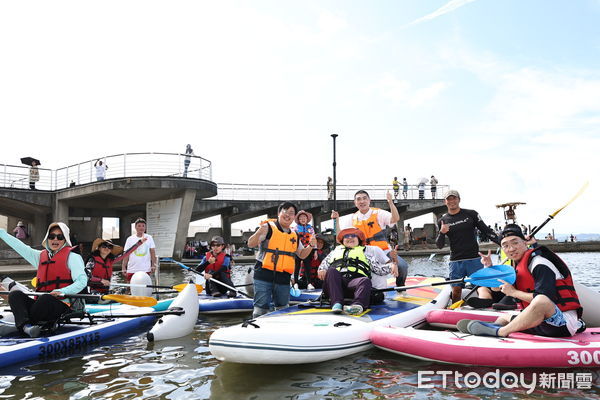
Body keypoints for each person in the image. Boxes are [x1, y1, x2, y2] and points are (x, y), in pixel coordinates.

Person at [458, 224, 585, 338]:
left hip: (561, 323)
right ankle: (488, 332)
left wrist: (513, 292)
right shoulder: (517, 266)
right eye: (505, 246)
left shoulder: (539, 263)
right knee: (503, 317)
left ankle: (501, 332)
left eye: (515, 243)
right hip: (540, 321)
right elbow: (496, 289)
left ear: (525, 243)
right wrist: (488, 267)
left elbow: (547, 299)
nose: (511, 249)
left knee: (541, 300)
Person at [0, 222, 87, 337]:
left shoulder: (73, 257)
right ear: (47, 238)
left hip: (63, 304)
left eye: (60, 237)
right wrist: (2, 233)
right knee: (15, 294)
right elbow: (19, 246)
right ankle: (26, 327)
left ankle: (20, 325)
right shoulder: (40, 256)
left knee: (46, 298)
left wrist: (62, 291)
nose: (55, 239)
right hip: (41, 303)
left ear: (65, 240)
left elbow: (82, 282)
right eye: (52, 236)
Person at [247, 202, 316, 318]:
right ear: (279, 213)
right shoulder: (267, 228)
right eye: (285, 211)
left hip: (283, 277)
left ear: (294, 217)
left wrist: (310, 246)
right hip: (264, 273)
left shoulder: (295, 234)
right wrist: (259, 232)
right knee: (260, 309)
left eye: (291, 213)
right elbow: (250, 243)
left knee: (282, 308)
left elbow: (302, 255)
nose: (288, 215)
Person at [436, 190, 500, 303]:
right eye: (449, 199)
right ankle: (456, 310)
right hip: (456, 261)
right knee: (456, 291)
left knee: (481, 287)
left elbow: (486, 231)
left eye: (454, 198)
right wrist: (442, 233)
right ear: (445, 202)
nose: (452, 201)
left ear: (459, 200)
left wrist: (503, 243)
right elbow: (439, 246)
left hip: (474, 259)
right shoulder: (442, 220)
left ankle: (486, 305)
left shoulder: (471, 214)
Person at [331, 190, 406, 287]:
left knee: (402, 266)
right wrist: (336, 220)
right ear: (355, 203)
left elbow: (395, 219)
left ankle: (400, 287)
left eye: (364, 198)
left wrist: (390, 202)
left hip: (383, 252)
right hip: (363, 253)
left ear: (369, 200)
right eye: (358, 199)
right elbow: (339, 237)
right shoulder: (351, 219)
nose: (362, 201)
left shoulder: (379, 213)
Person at [317, 227, 398, 315]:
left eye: (353, 236)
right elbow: (323, 266)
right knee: (332, 271)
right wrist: (321, 270)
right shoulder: (333, 253)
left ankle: (357, 305)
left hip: (354, 285)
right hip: (335, 285)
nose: (350, 238)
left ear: (359, 240)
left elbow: (379, 269)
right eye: (346, 236)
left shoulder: (366, 254)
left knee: (365, 280)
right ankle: (337, 303)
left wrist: (392, 266)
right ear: (342, 240)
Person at [121, 218, 157, 282]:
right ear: (135, 227)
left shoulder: (149, 237)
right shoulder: (130, 239)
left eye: (143, 226)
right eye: (139, 226)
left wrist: (153, 265)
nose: (141, 228)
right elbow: (126, 254)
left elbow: (152, 252)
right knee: (130, 287)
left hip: (145, 269)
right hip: (132, 269)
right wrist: (123, 267)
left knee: (145, 287)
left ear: (145, 227)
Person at [292, 210, 315, 288]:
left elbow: (313, 240)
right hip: (297, 250)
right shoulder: (294, 229)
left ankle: (309, 283)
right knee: (296, 267)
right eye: (301, 218)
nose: (303, 219)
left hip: (308, 250)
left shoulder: (311, 229)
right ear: (298, 220)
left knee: (308, 267)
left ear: (307, 219)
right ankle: (295, 283)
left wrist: (314, 251)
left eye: (304, 217)